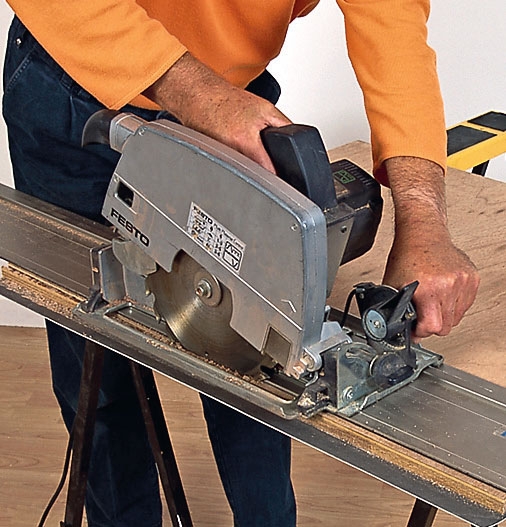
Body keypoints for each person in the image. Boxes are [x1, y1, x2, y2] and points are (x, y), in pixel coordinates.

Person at [2, 1, 480, 526]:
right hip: (81, 75)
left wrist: (423, 220)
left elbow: (391, 22)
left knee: (262, 359)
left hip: (233, 101)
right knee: (98, 370)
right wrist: (197, 95)